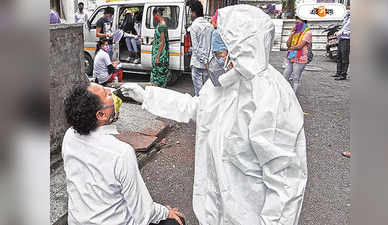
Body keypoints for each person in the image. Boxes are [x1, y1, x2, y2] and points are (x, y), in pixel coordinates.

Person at [121, 5, 307, 225]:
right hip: (217, 210)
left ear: (242, 50)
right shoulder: (225, 83)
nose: (216, 59)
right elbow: (197, 107)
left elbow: (285, 183)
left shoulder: (270, 97)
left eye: (220, 53)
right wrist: (147, 97)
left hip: (250, 214)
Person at [63, 82, 185, 225]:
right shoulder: (121, 153)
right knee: (176, 221)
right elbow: (143, 212)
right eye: (107, 94)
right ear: (101, 114)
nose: (111, 92)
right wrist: (165, 212)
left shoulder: (69, 136)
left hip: (77, 221)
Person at [188, 1, 213, 96]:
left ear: (194, 13)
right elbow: (211, 46)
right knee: (206, 91)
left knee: (198, 91)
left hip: (197, 63)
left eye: (190, 12)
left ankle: (200, 109)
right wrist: (207, 61)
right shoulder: (209, 26)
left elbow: (196, 48)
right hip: (208, 64)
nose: (190, 14)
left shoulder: (194, 26)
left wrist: (203, 60)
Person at [283, 16, 312, 94]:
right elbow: (288, 45)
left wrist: (290, 48)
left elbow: (299, 47)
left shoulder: (308, 33)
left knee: (296, 78)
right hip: (291, 57)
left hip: (300, 58)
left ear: (304, 22)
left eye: (298, 23)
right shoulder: (295, 32)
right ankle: (283, 94)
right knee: (285, 76)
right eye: (295, 23)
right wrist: (291, 35)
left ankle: (294, 96)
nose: (296, 25)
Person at [150, 8, 169, 88]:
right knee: (157, 75)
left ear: (157, 14)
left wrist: (157, 57)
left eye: (154, 16)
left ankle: (158, 93)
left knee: (158, 76)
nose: (154, 18)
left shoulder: (161, 25)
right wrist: (154, 40)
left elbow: (162, 42)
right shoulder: (161, 24)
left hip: (160, 55)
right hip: (159, 53)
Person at [333, 2, 351, 80]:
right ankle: (338, 72)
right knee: (339, 56)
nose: (348, 8)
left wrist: (342, 32)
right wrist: (338, 31)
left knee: (344, 57)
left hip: (347, 39)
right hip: (341, 38)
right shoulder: (347, 17)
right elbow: (343, 27)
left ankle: (343, 74)